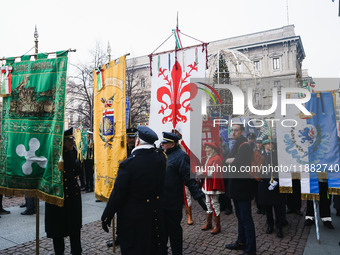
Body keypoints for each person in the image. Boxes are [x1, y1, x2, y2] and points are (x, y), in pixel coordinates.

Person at [101, 126, 167, 255]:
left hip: (135, 218)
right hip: (155, 213)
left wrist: (107, 216)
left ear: (137, 141)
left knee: (136, 248)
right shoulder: (161, 158)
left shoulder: (128, 164)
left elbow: (118, 194)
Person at [160, 132, 207, 255]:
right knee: (161, 231)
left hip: (173, 201)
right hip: (160, 201)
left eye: (165, 143)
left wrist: (198, 196)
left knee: (174, 231)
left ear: (172, 144)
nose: (162, 144)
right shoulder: (161, 154)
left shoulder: (181, 156)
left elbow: (189, 179)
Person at [45, 127, 82, 255]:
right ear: (62, 142)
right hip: (58, 196)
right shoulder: (54, 156)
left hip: (72, 195)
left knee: (75, 227)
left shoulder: (74, 153)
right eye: (69, 140)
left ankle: (76, 251)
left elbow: (78, 172)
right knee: (57, 230)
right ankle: (59, 252)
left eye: (73, 139)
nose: (72, 142)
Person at [224, 124, 256, 255]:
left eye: (236, 130)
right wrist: (231, 160)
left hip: (243, 188)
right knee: (239, 217)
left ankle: (251, 249)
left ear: (242, 131)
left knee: (246, 218)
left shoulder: (245, 145)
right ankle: (241, 242)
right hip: (236, 188)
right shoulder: (236, 144)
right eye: (232, 130)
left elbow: (240, 163)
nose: (233, 132)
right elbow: (227, 160)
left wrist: (232, 160)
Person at [106, 127, 138, 248]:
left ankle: (133, 236)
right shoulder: (121, 150)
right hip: (122, 186)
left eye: (133, 137)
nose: (131, 140)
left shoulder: (137, 150)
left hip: (134, 188)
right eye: (129, 137)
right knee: (120, 213)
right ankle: (119, 237)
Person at [258, 137, 285, 238]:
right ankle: (270, 224)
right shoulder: (260, 155)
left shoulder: (277, 155)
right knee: (267, 207)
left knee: (278, 207)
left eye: (271, 144)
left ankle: (279, 226)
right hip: (265, 184)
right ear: (264, 145)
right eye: (268, 144)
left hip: (276, 183)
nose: (270, 146)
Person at [198, 142, 225, 234]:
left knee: (214, 204)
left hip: (213, 184)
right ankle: (209, 223)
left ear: (212, 149)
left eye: (207, 148)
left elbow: (213, 173)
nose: (205, 150)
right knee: (208, 204)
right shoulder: (209, 157)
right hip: (208, 183)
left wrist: (201, 172)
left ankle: (217, 226)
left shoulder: (217, 158)